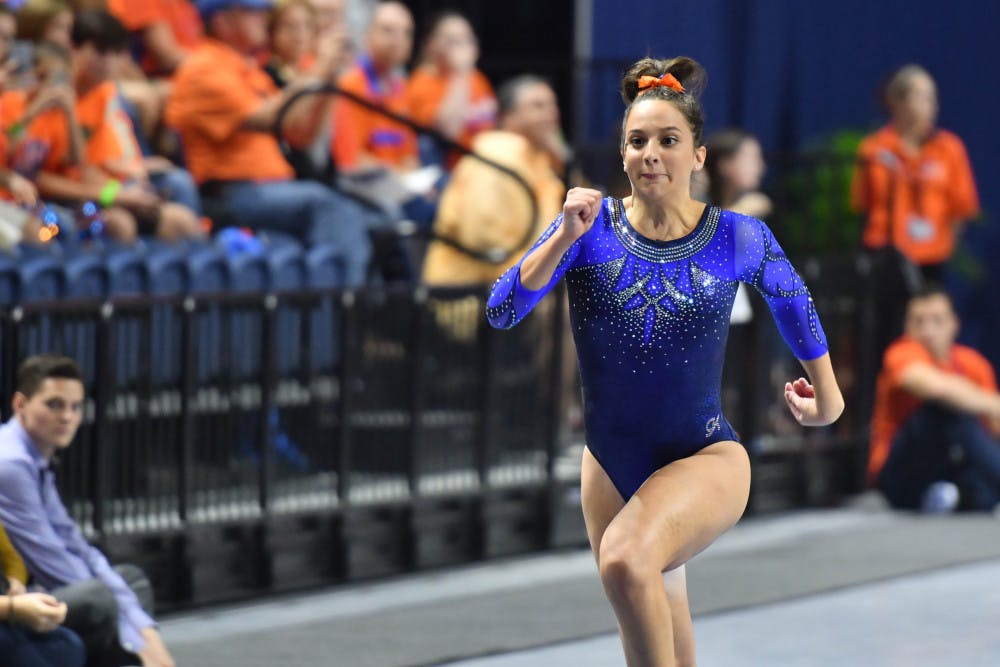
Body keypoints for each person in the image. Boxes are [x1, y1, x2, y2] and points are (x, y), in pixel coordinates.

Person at [487, 56, 844, 666]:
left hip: (705, 454)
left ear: (698, 156)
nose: (651, 152)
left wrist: (829, 398)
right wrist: (563, 238)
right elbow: (501, 310)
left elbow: (794, 302)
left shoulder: (736, 235)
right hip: (610, 464)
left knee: (627, 561)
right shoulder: (587, 228)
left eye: (668, 140)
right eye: (637, 140)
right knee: (653, 608)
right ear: (623, 154)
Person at [166, 0, 372, 286]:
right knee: (331, 206)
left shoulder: (248, 70)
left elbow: (301, 135)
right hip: (234, 191)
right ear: (222, 21)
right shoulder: (204, 67)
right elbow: (275, 117)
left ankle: (329, 310)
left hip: (271, 189)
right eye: (251, 11)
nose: (263, 17)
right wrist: (320, 65)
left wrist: (330, 78)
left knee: (343, 207)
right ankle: (343, 310)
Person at [0, 354, 175, 667]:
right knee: (100, 598)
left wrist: (141, 627)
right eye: (54, 405)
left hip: (32, 587)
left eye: (75, 407)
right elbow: (52, 561)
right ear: (20, 405)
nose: (67, 417)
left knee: (129, 581)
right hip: (20, 597)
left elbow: (74, 542)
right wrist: (133, 632)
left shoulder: (34, 457)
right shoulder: (11, 464)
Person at [421, 74, 565, 287]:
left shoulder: (538, 158)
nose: (551, 115)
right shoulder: (497, 154)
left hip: (521, 279)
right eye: (538, 106)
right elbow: (485, 241)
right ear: (508, 117)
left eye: (553, 105)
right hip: (469, 292)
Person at [868, 285, 1000, 513]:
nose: (928, 331)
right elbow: (936, 388)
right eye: (918, 322)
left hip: (949, 463)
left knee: (983, 495)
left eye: (937, 321)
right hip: (900, 471)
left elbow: (994, 426)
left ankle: (950, 495)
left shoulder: (974, 364)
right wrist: (991, 403)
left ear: (954, 324)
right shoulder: (900, 353)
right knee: (947, 410)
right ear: (906, 326)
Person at [406, 10, 496, 166]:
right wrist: (460, 73)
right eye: (453, 41)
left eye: (467, 40)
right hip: (451, 170)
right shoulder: (421, 82)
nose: (462, 48)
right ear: (431, 44)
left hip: (486, 162)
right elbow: (448, 132)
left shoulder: (477, 78)